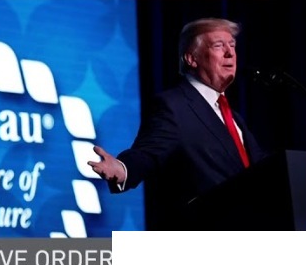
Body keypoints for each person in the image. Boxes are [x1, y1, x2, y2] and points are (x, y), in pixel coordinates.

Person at [88, 18, 266, 230]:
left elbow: (262, 170)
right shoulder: (174, 105)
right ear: (192, 58)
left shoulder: (234, 117)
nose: (230, 53)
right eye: (219, 46)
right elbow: (148, 152)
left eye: (232, 45)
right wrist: (123, 168)